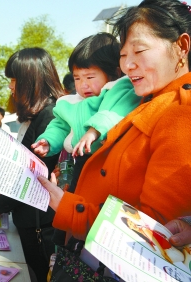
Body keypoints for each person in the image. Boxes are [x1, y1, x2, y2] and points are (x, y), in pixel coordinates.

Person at [38, 0, 191, 263]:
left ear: (181, 47)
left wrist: (67, 206)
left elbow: (156, 231)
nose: (128, 65)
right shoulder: (141, 99)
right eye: (123, 55)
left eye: (139, 51)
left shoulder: (181, 111)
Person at [0, 47, 63, 282]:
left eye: (13, 80)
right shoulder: (37, 114)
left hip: (40, 224)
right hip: (31, 220)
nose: (10, 86)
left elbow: (35, 175)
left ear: (29, 81)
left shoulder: (50, 116)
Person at [32, 32, 141, 193]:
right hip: (82, 162)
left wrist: (94, 131)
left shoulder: (119, 89)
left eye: (90, 77)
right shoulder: (70, 103)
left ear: (115, 73)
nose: (83, 85)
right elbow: (60, 125)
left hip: (109, 163)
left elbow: (114, 111)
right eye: (77, 78)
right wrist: (48, 141)